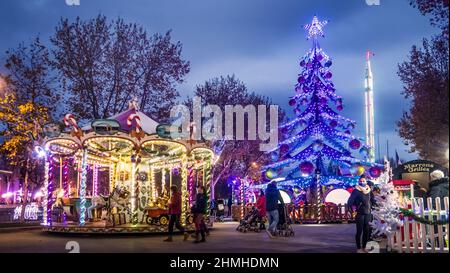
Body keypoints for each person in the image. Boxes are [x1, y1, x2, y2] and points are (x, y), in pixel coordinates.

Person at [348, 175, 375, 253]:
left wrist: (376, 205)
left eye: (363, 181)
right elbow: (350, 201)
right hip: (360, 213)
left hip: (368, 213)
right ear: (359, 182)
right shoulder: (356, 190)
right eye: (361, 181)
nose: (362, 182)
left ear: (366, 182)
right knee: (359, 231)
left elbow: (372, 200)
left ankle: (364, 247)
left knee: (367, 231)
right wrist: (352, 209)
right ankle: (359, 248)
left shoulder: (369, 190)